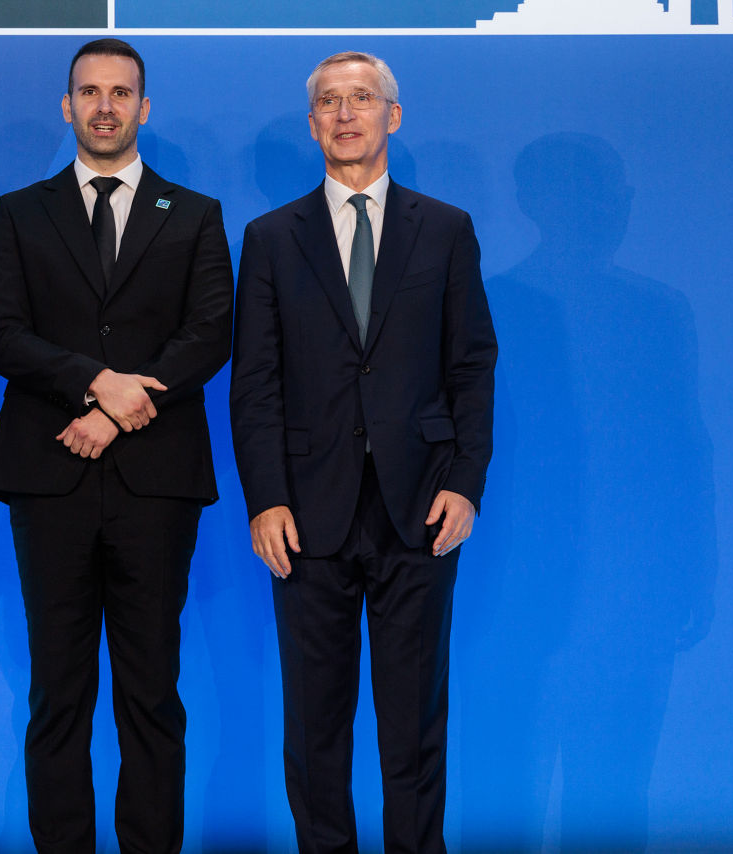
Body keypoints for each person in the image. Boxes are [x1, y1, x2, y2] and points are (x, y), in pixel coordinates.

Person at [230, 52, 497, 854]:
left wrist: (467, 483)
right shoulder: (271, 238)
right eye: (328, 103)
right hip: (306, 517)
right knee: (315, 727)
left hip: (419, 509)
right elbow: (256, 383)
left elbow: (471, 365)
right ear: (312, 124)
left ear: (393, 115)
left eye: (362, 100)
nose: (345, 115)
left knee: (414, 725)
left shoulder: (445, 230)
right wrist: (266, 498)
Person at [0, 38, 233, 854]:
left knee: (151, 693)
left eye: (121, 92)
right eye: (89, 91)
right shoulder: (20, 212)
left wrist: (119, 411)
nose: (105, 106)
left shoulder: (194, 214)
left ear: (144, 108)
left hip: (155, 488)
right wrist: (96, 381)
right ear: (68, 106)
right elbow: (1, 335)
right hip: (49, 479)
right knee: (58, 695)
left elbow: (210, 335)